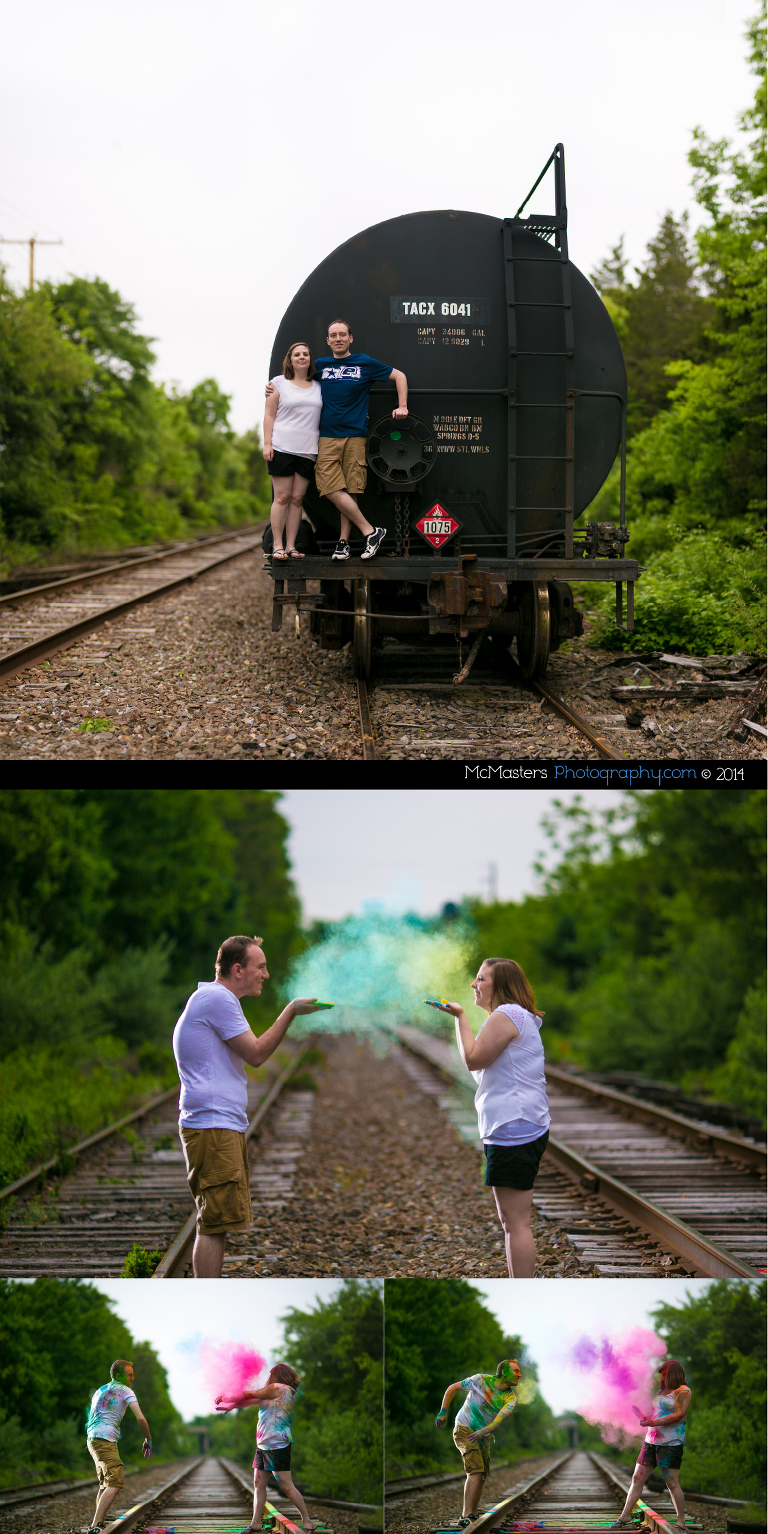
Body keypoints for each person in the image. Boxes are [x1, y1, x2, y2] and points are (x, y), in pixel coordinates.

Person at [173, 935, 322, 1278]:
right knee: (214, 1223)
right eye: (261, 967)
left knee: (216, 1221)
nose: (265, 975)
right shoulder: (217, 999)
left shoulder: (211, 999)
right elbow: (256, 1054)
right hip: (213, 1126)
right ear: (237, 969)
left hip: (217, 1124)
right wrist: (291, 1012)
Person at [441, 958, 550, 1279]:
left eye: (481, 979)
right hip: (519, 1124)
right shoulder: (515, 1016)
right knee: (512, 1223)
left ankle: (523, 1289)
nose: (474, 985)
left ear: (499, 986)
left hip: (514, 1127)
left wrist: (460, 1016)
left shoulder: (506, 1015)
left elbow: (473, 1060)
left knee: (516, 1224)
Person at [267, 317, 408, 560]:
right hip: (326, 438)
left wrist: (402, 405)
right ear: (328, 341)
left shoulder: (365, 362)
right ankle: (370, 531)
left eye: (342, 334)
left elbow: (400, 376)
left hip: (355, 436)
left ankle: (343, 544)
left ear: (350, 338)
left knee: (349, 489)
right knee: (330, 488)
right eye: (333, 335)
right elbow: (297, 382)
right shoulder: (319, 366)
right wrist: (275, 387)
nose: (338, 339)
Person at [215, 1362, 318, 1534]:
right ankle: (255, 1523)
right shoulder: (274, 1393)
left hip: (278, 1444)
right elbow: (249, 1401)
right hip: (263, 1445)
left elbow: (249, 1394)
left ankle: (307, 1521)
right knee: (258, 1483)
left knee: (286, 1486)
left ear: (277, 1374)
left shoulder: (280, 1388)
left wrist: (227, 1397)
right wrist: (231, 1405)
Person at [435, 1360, 521, 1528]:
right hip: (464, 1428)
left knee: (482, 1474)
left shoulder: (510, 1398)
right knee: (475, 1470)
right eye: (516, 1371)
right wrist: (443, 1411)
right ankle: (465, 1516)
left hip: (481, 1435)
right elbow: (452, 1388)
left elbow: (498, 1421)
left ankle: (473, 1513)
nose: (519, 1375)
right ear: (504, 1372)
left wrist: (483, 1432)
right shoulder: (480, 1380)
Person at [611, 1360, 692, 1534]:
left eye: (665, 1374)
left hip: (670, 1443)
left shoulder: (683, 1391)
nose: (662, 1378)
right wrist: (644, 1416)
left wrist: (653, 1421)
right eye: (662, 1375)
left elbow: (678, 1415)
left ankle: (681, 1522)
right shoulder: (662, 1392)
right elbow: (657, 1415)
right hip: (651, 1442)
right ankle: (625, 1515)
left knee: (671, 1483)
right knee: (637, 1478)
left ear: (674, 1373)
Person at [263, 342, 323, 559]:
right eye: (297, 354)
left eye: (305, 354)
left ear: (310, 359)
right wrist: (267, 444)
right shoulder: (278, 383)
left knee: (297, 499)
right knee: (282, 497)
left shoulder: (318, 386)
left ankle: (291, 546)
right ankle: (277, 545)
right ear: (290, 359)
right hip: (281, 447)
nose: (302, 357)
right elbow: (269, 415)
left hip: (307, 450)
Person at [84, 1359, 152, 1534]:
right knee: (115, 1481)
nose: (133, 1378)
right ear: (118, 1375)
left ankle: (95, 1524)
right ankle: (97, 1525)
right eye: (129, 1374)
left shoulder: (100, 1390)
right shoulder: (125, 1391)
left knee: (104, 1484)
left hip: (92, 1439)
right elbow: (141, 1418)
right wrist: (148, 1438)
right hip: (105, 1440)